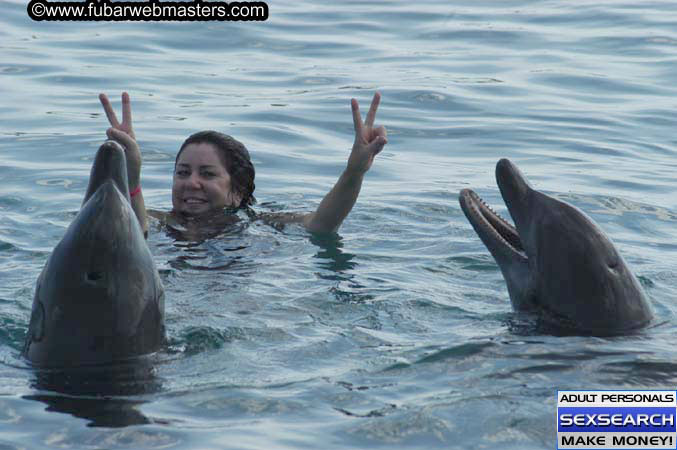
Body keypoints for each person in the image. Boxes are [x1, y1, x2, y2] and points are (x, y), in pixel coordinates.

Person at [98, 92, 388, 238]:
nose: (191, 182)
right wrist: (130, 173)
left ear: (237, 191)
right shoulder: (159, 221)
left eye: (208, 174)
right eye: (182, 172)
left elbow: (322, 224)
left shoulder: (258, 223)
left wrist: (354, 172)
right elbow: (132, 235)